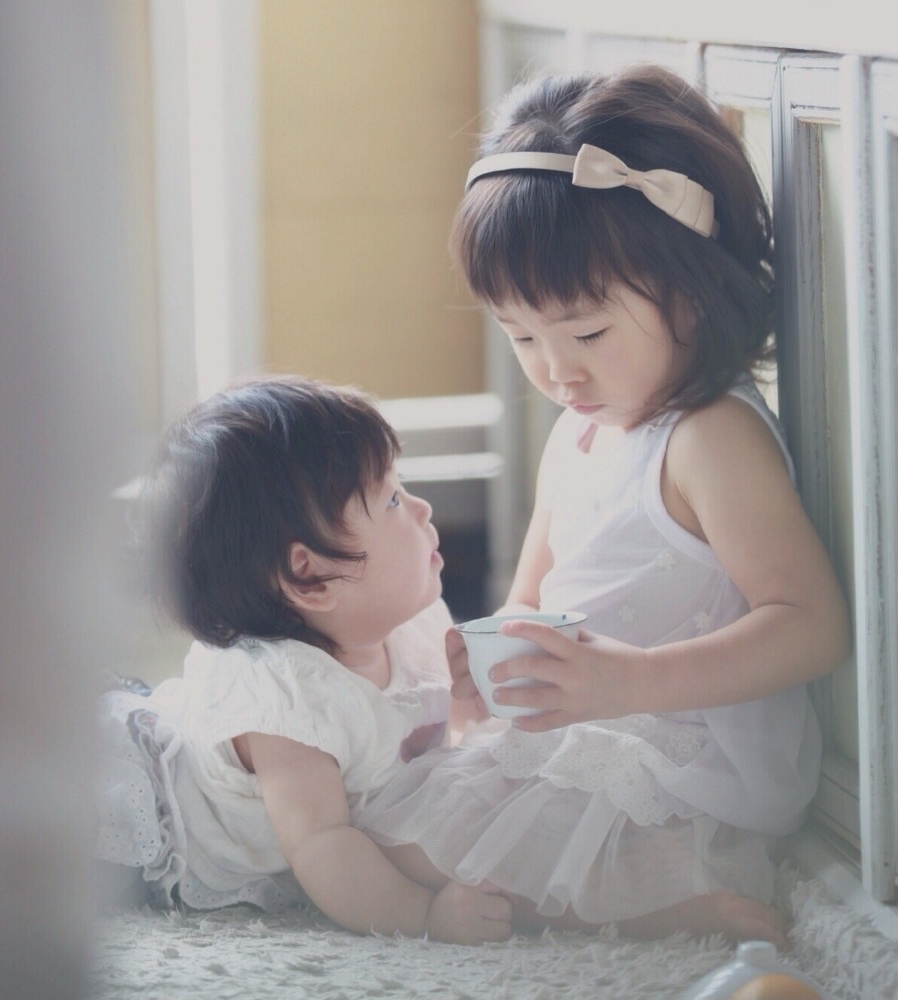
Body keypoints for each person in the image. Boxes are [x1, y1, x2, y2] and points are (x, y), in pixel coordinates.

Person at [357, 64, 850, 948]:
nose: (556, 370)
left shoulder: (708, 438)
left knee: (428, 847)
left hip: (685, 759)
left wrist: (628, 683)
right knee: (380, 825)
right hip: (595, 723)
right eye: (521, 336)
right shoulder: (578, 432)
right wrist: (490, 667)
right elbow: (532, 599)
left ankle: (674, 903)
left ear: (690, 289)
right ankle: (608, 888)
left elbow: (811, 626)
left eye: (586, 332)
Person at [94, 375, 511, 945]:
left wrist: (471, 701)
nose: (422, 508)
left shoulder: (408, 622)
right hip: (147, 814)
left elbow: (424, 731)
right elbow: (324, 848)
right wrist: (426, 916)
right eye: (391, 500)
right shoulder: (288, 700)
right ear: (310, 577)